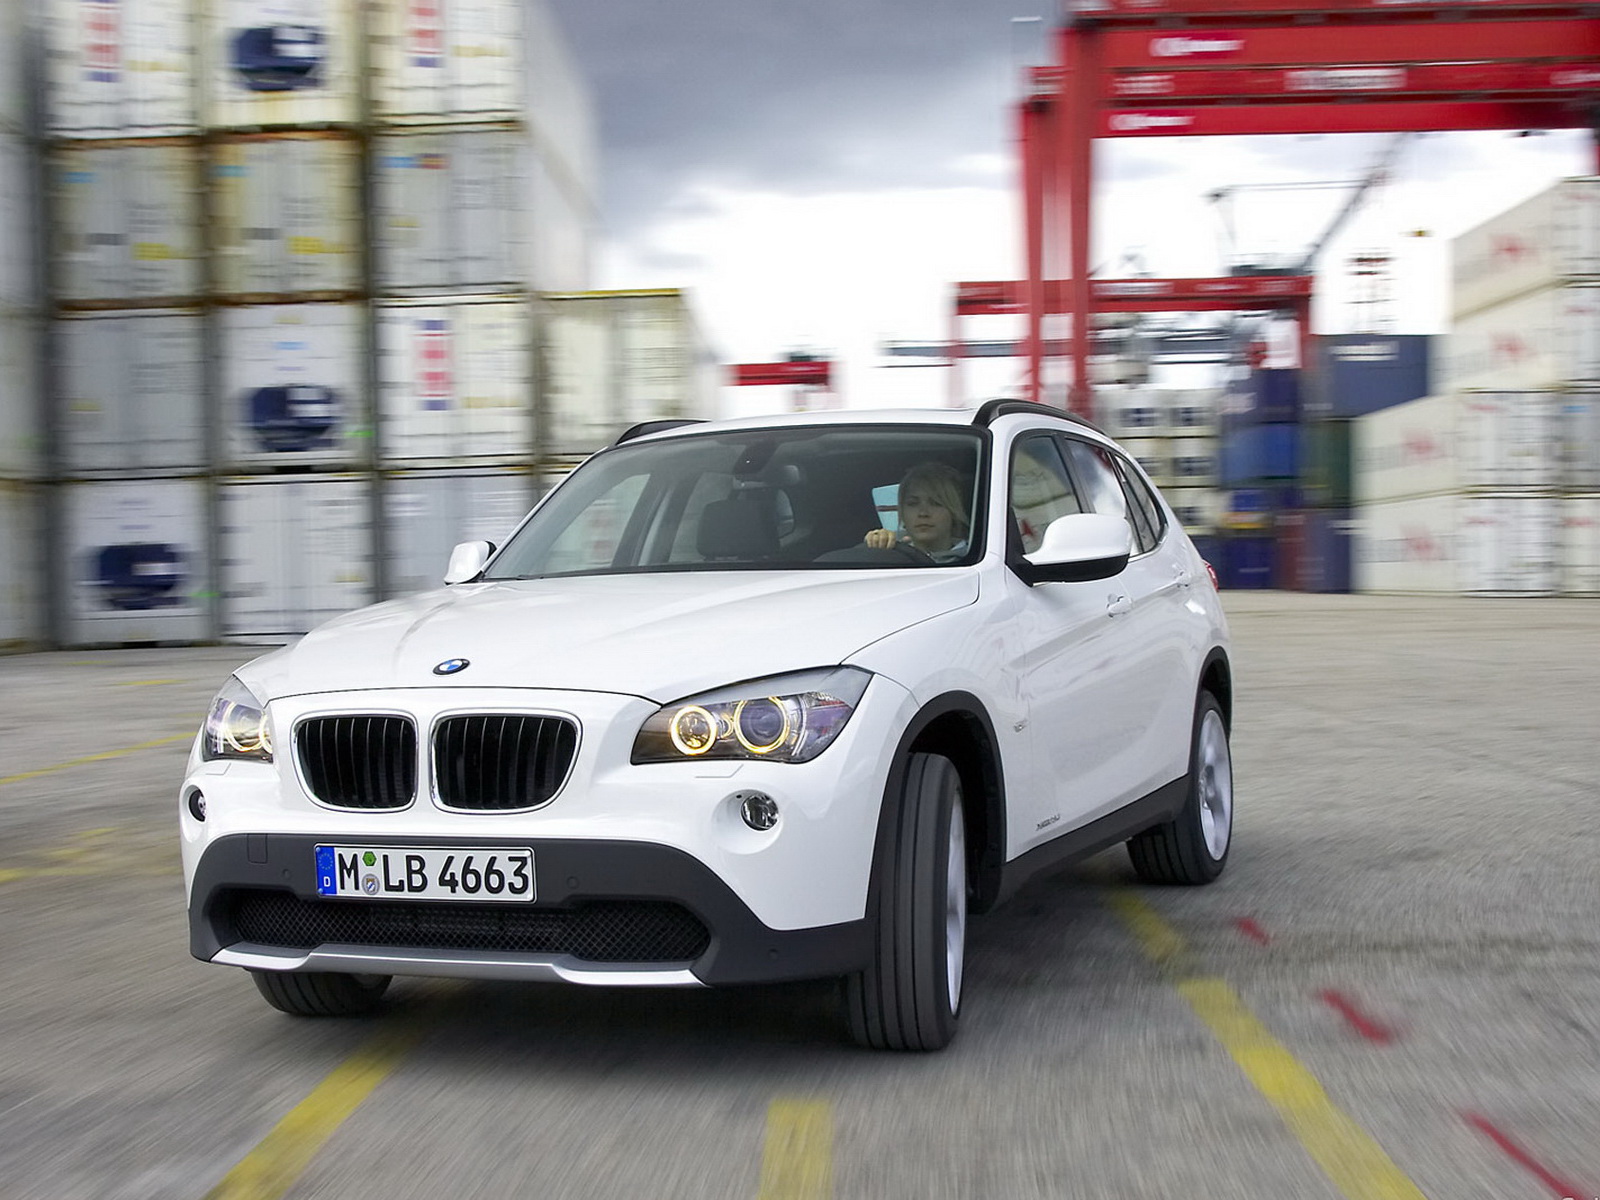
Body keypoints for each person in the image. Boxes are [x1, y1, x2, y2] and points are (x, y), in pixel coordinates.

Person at [865, 462, 971, 563]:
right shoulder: (890, 554)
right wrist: (876, 543)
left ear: (953, 512)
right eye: (912, 503)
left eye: (936, 503)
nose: (923, 513)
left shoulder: (975, 559)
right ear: (902, 513)